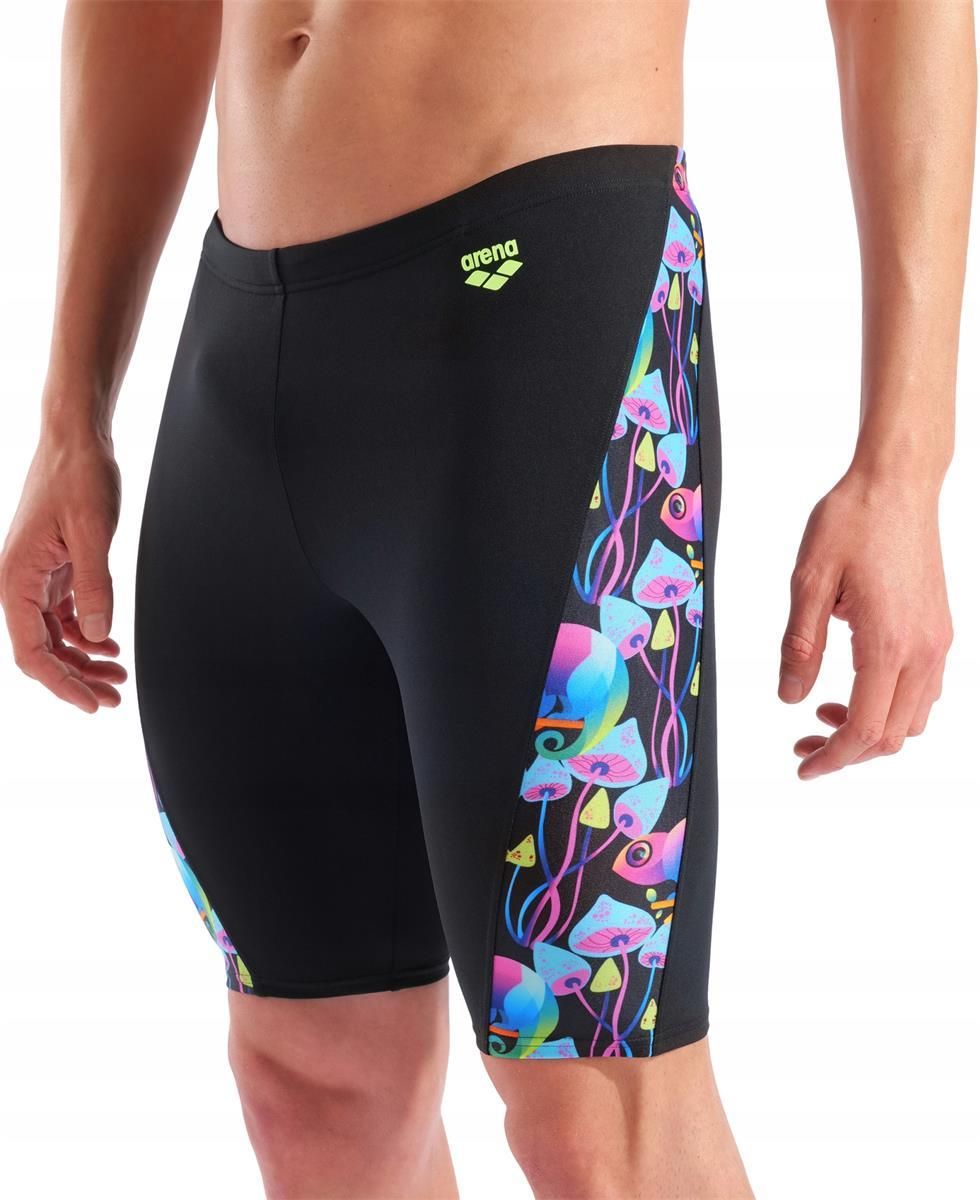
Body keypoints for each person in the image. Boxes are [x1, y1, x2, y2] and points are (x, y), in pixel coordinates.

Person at [0, 2, 973, 1197]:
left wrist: (902, 465)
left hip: (540, 310)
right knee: (311, 1083)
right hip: (243, 356)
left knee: (596, 1122)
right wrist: (71, 415)